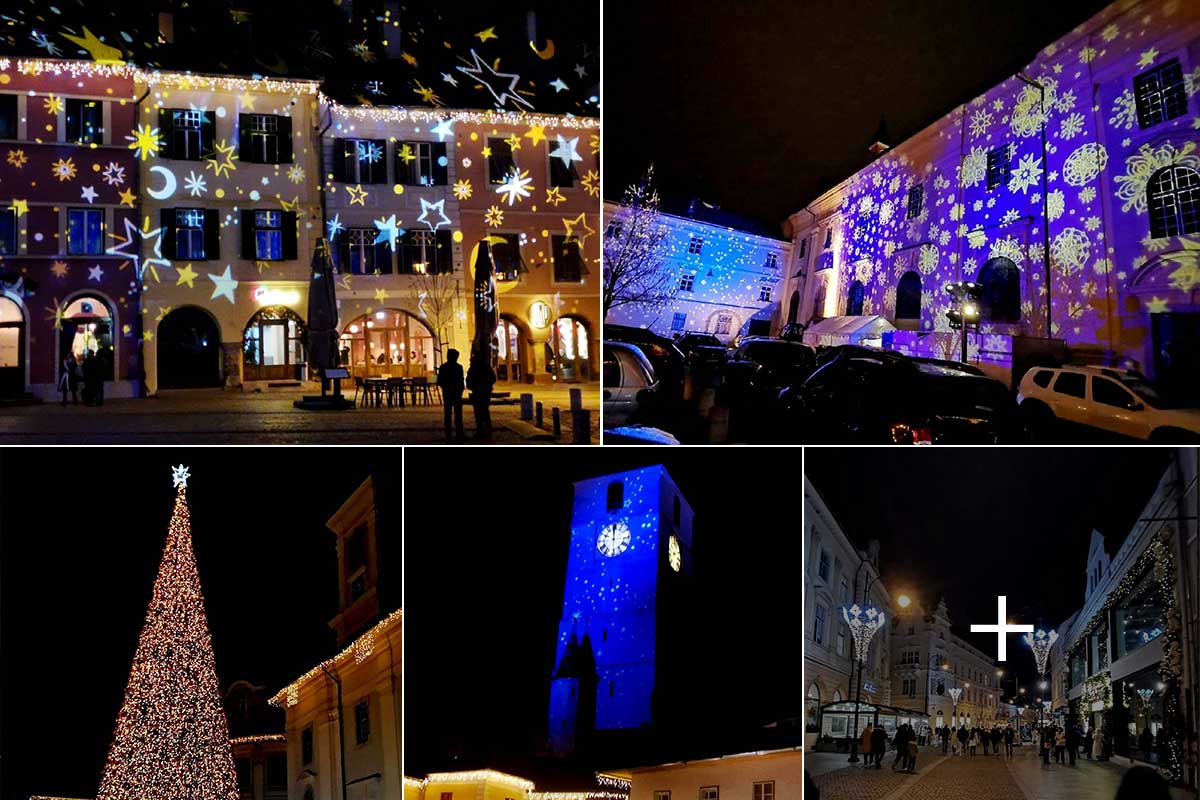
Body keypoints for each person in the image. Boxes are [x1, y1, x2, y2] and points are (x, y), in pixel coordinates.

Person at [466, 346, 496, 440]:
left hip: (478, 392)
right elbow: (493, 378)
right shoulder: (486, 366)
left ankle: (481, 431)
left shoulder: (474, 367)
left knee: (479, 413)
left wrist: (473, 386)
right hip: (485, 392)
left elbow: (469, 380)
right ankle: (487, 431)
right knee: (485, 412)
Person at [436, 348, 465, 442]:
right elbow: (461, 381)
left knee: (447, 414)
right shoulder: (458, 367)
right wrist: (460, 390)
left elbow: (440, 380)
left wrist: (445, 387)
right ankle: (459, 433)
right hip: (456, 393)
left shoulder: (443, 367)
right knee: (458, 414)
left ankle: (448, 433)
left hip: (448, 393)